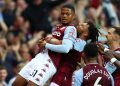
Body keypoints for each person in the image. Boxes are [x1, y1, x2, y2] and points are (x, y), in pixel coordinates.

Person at [12, 4, 77, 86]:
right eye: (62, 13)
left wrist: (46, 45)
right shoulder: (58, 27)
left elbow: (66, 49)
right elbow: (56, 42)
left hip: (49, 61)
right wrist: (43, 44)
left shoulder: (71, 29)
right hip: (40, 57)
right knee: (16, 83)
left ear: (74, 16)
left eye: (67, 14)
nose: (64, 16)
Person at [50, 22, 99, 86]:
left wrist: (49, 40)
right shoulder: (76, 39)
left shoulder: (80, 43)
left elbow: (64, 45)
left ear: (86, 33)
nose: (79, 24)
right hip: (62, 73)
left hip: (64, 74)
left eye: (82, 26)